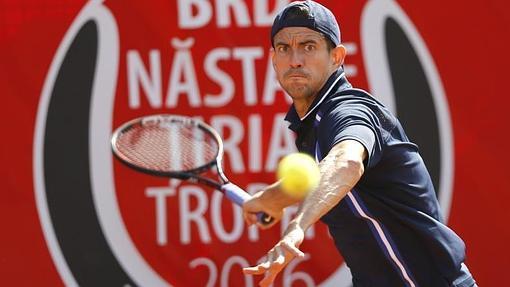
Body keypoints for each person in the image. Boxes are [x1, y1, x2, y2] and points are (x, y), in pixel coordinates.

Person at [241, 1, 477, 286]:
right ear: (273, 59)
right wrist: (271, 199)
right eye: (284, 48)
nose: (295, 60)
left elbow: (346, 162)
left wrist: (297, 226)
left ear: (337, 57)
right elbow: (321, 174)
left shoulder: (350, 111)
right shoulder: (311, 122)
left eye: (309, 46)